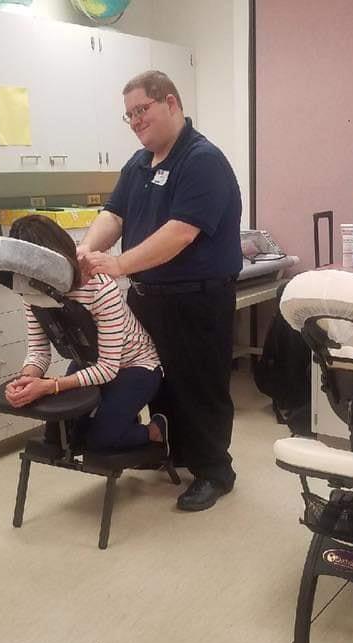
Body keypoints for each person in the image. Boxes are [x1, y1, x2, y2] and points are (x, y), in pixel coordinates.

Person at [77, 70, 242, 512]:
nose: (135, 121)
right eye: (129, 114)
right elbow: (114, 215)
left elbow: (181, 232)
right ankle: (174, 452)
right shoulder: (139, 163)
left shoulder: (201, 159)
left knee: (199, 387)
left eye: (142, 110)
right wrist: (86, 250)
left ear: (170, 103)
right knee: (157, 382)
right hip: (148, 299)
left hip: (197, 299)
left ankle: (215, 472)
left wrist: (118, 264)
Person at [3, 214, 168, 455]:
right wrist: (26, 380)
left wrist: (51, 386)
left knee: (100, 442)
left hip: (135, 365)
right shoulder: (31, 291)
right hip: (88, 362)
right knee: (64, 439)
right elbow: (38, 352)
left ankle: (155, 431)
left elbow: (108, 368)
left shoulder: (100, 288)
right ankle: (121, 421)